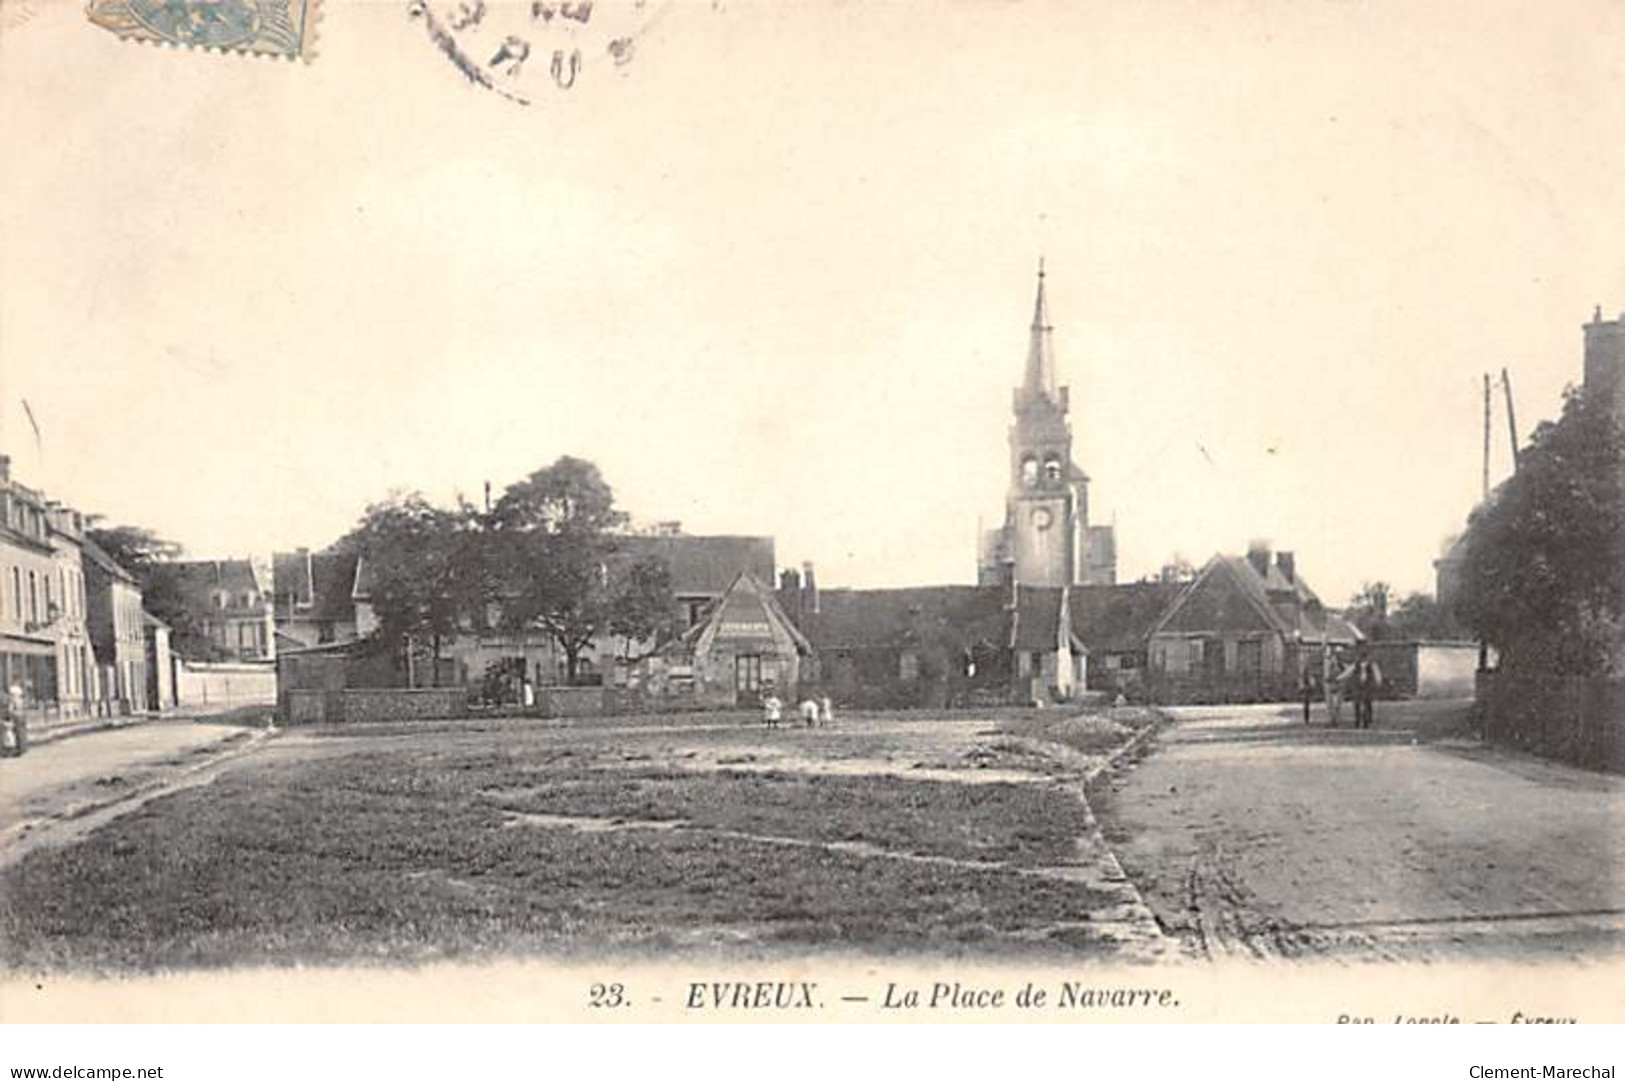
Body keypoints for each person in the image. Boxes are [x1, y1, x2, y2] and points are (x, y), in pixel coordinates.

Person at [1347, 645, 1384, 730]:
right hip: (1358, 686)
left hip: (1367, 686)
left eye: (1363, 658)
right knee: (1357, 704)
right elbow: (1349, 672)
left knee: (1366, 703)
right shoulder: (1356, 665)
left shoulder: (1371, 665)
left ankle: (1366, 721)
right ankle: (1357, 720)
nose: (1362, 660)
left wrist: (1378, 682)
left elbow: (1377, 674)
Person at [1323, 648, 1345, 727]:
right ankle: (1332, 720)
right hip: (1332, 685)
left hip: (1337, 685)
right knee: (1331, 704)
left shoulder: (1340, 666)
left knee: (1336, 705)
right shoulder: (1329, 665)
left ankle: (1335, 720)